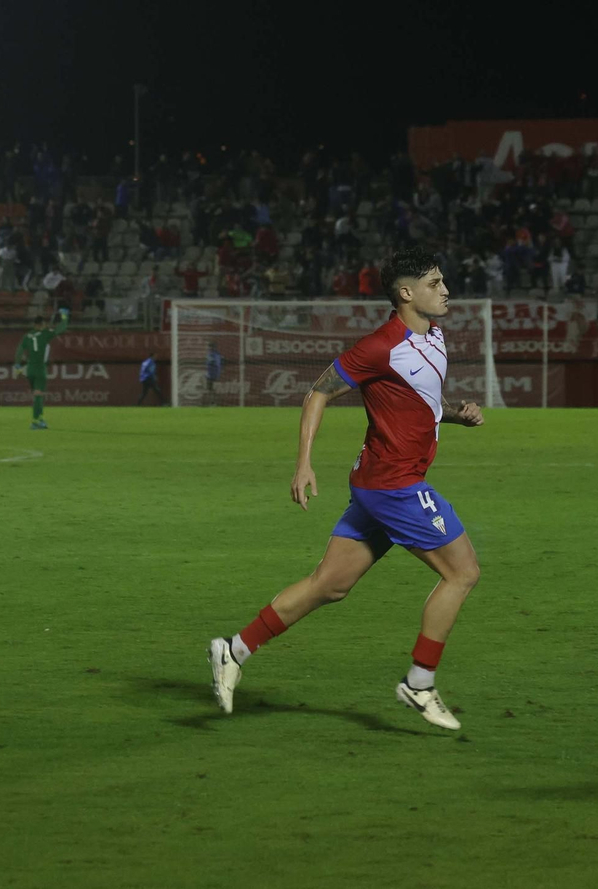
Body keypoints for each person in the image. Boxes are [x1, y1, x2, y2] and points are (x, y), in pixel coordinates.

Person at [206, 247, 487, 730]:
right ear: (406, 293)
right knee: (463, 573)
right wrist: (304, 464)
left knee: (329, 585)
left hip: (380, 482)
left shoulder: (435, 337)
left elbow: (417, 399)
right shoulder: (380, 345)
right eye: (436, 283)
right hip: (394, 486)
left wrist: (451, 414)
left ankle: (233, 650)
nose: (446, 291)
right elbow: (318, 391)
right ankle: (419, 683)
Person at [13, 308, 70, 430]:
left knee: (36, 395)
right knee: (39, 396)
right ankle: (35, 421)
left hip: (30, 369)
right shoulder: (45, 334)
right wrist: (64, 317)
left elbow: (19, 350)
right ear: (42, 325)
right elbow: (61, 328)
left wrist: (17, 365)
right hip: (40, 368)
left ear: (34, 324)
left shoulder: (27, 335)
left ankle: (41, 419)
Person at [204, 341, 224, 407]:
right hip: (213, 374)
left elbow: (215, 364)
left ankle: (213, 403)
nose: (208, 347)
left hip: (212, 375)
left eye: (209, 346)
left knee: (211, 390)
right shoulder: (216, 354)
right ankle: (213, 403)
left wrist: (209, 374)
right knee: (211, 390)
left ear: (211, 347)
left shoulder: (212, 355)